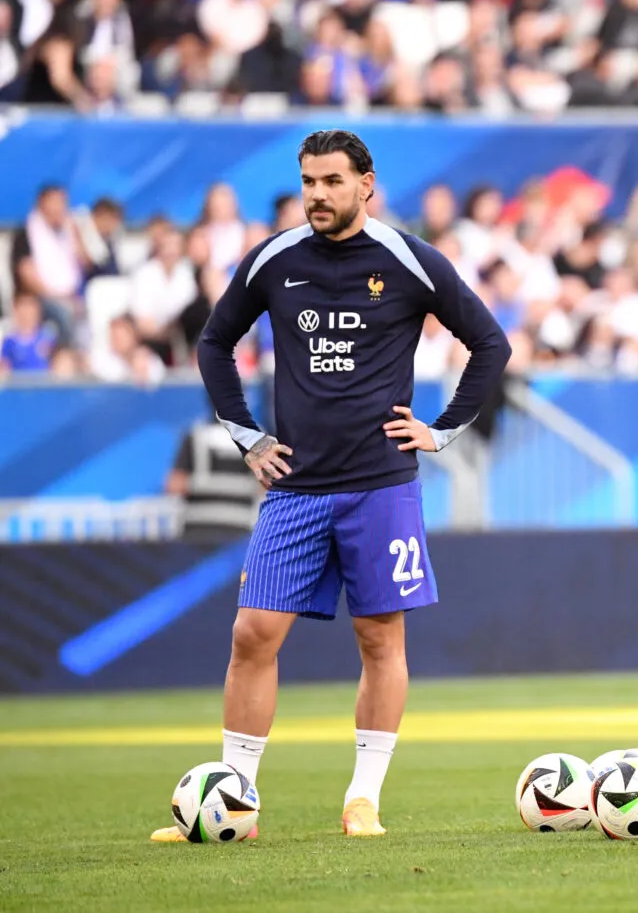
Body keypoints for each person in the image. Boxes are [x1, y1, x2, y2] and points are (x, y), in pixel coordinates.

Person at [150, 130, 510, 842]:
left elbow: (491, 343)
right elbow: (214, 343)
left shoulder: (411, 259)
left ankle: (363, 800)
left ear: (366, 185)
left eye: (332, 181)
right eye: (309, 181)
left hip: (381, 485)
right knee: (253, 634)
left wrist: (442, 430)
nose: (317, 194)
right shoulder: (275, 259)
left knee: (379, 639)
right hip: (297, 486)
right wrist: (248, 435)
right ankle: (236, 803)